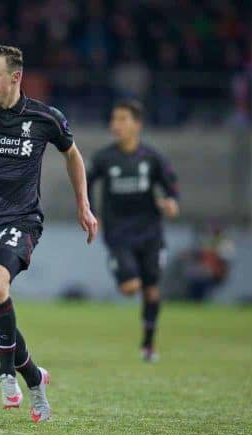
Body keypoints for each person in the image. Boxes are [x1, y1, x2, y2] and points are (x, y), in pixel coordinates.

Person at [0, 45, 98, 422]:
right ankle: (35, 380)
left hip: (20, 220)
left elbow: (72, 154)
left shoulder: (45, 118)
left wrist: (83, 204)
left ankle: (6, 374)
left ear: (15, 77)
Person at [87, 99, 179, 362]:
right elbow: (87, 183)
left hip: (151, 232)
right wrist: (91, 211)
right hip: (119, 234)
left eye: (123, 119)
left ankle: (148, 345)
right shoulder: (104, 158)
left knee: (151, 291)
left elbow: (171, 186)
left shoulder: (152, 157)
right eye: (114, 119)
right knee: (130, 287)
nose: (116, 125)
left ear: (137, 124)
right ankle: (123, 269)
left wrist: (171, 202)